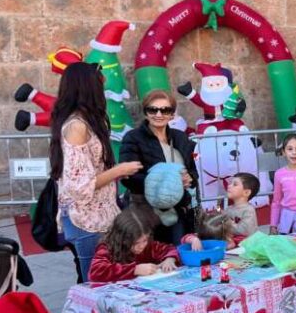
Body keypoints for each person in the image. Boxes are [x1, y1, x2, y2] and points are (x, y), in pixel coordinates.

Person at [49, 62, 142, 282]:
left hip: (101, 216)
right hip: (86, 220)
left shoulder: (88, 122)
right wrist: (119, 170)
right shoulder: (76, 127)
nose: (103, 90)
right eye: (99, 84)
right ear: (88, 87)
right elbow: (80, 187)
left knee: (111, 279)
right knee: (96, 282)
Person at [119, 91, 199, 245]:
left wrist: (190, 178)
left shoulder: (180, 137)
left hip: (178, 208)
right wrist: (163, 184)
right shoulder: (133, 138)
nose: (159, 114)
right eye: (153, 109)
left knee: (177, 254)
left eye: (165, 110)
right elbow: (128, 178)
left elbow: (193, 170)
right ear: (146, 113)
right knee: (151, 258)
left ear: (172, 114)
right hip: (145, 210)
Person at [88, 208, 179, 282]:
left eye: (145, 240)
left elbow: (169, 249)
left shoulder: (148, 246)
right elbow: (96, 272)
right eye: (136, 243)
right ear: (122, 239)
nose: (142, 246)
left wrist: (170, 259)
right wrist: (135, 270)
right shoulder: (107, 248)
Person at [225, 173, 260, 243]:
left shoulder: (249, 210)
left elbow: (244, 230)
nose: (229, 186)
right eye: (230, 183)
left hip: (249, 246)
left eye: (235, 184)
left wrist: (227, 224)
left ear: (246, 192)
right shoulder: (228, 209)